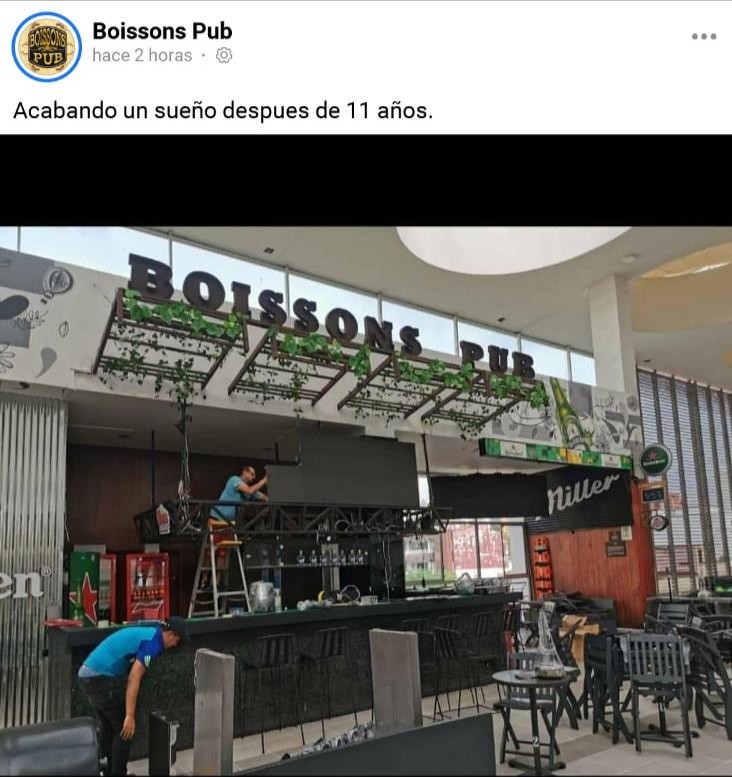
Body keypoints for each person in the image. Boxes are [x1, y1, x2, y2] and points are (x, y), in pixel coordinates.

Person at [77, 617, 189, 776]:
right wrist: (129, 716)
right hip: (99, 677)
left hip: (88, 674)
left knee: (109, 727)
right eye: (177, 641)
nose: (175, 645)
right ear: (170, 634)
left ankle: (105, 770)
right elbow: (134, 676)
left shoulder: (152, 632)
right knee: (125, 730)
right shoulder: (153, 645)